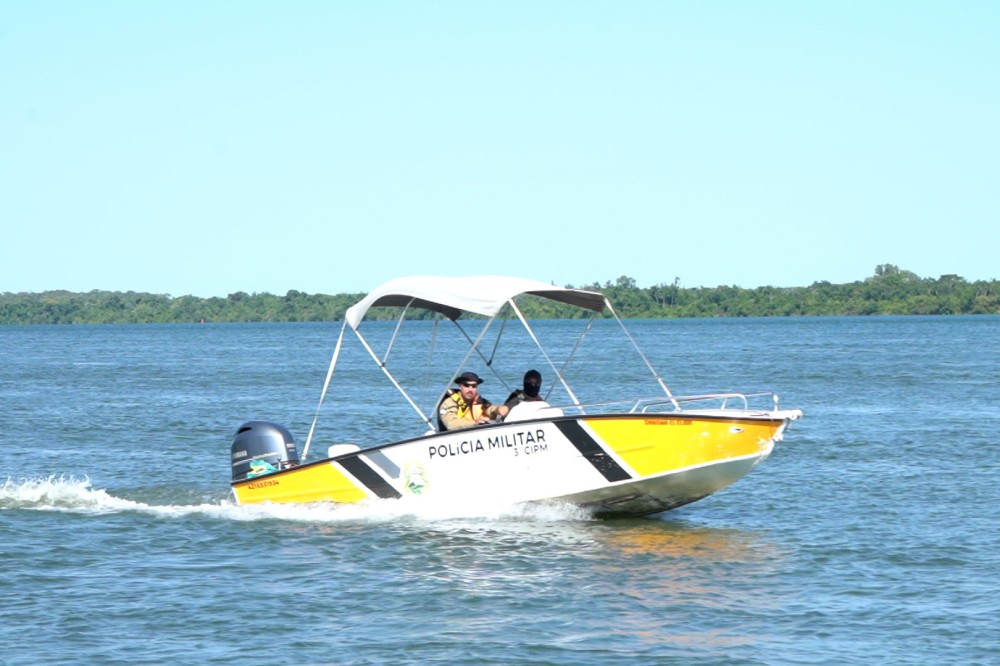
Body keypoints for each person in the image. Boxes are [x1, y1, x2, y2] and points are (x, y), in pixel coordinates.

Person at [438, 371, 509, 430]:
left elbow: (490, 409)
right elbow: (451, 424)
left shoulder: (480, 402)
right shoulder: (449, 403)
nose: (470, 390)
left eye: (474, 386)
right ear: (460, 386)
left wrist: (499, 409)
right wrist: (474, 423)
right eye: (466, 385)